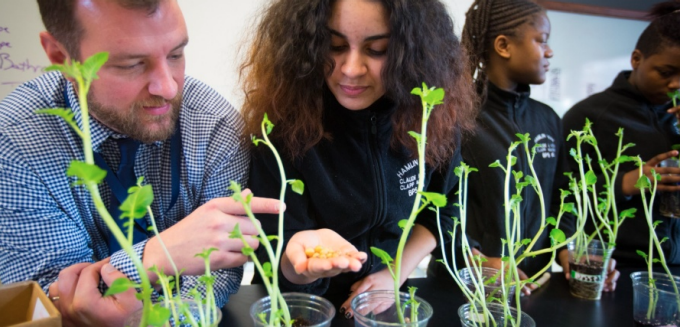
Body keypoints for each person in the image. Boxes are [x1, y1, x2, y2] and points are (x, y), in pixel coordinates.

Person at [0, 0, 283, 326]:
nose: (168, 87)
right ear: (61, 58)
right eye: (132, 64)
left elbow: (214, 280)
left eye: (176, 54)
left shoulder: (214, 126)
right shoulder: (15, 145)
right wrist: (154, 257)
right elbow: (52, 298)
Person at [240, 0, 477, 318]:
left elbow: (445, 208)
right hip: (296, 308)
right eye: (334, 45)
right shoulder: (282, 127)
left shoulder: (432, 117)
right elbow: (275, 258)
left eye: (377, 49)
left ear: (413, 53)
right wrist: (302, 267)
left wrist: (394, 275)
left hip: (384, 302)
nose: (351, 69)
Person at [426, 0, 587, 296]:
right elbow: (430, 206)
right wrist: (476, 258)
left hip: (534, 286)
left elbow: (563, 196)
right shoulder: (456, 117)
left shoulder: (548, 119)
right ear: (503, 45)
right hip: (463, 286)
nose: (550, 51)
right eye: (541, 40)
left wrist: (567, 252)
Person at [562, 1, 680, 271]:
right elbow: (563, 197)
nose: (676, 84)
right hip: (614, 266)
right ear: (636, 59)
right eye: (666, 72)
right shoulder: (588, 117)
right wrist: (624, 184)